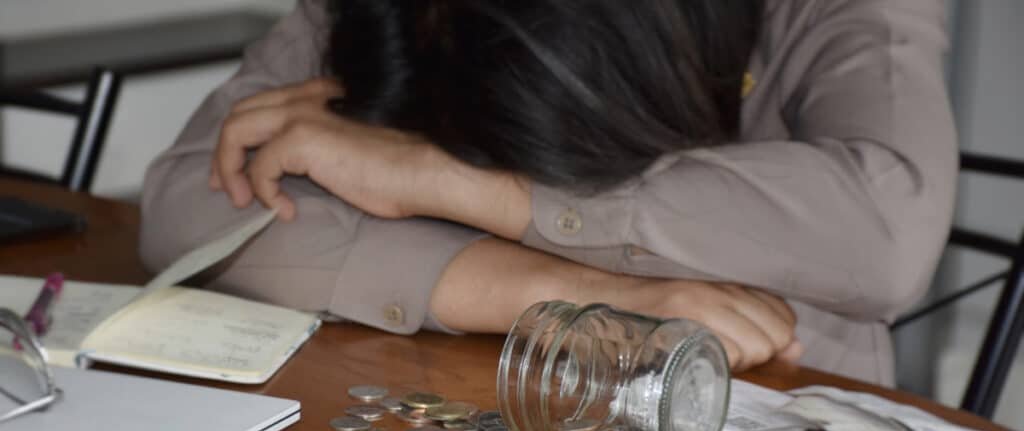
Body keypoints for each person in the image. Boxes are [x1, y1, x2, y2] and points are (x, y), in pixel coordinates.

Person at [140, 0, 956, 385]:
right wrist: (563, 294)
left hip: (762, 424)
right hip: (461, 401)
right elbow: (187, 198)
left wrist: (451, 180)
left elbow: (885, 234)